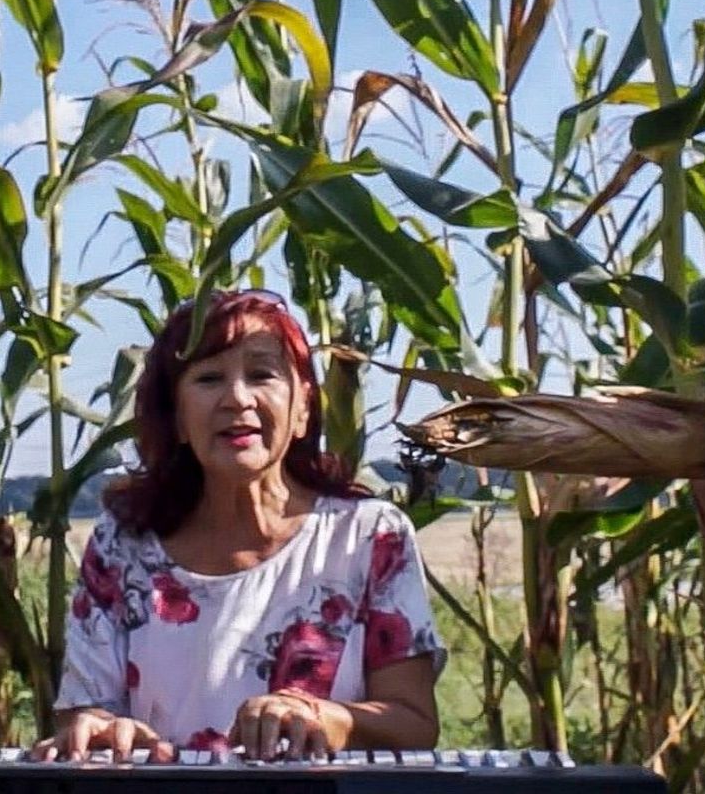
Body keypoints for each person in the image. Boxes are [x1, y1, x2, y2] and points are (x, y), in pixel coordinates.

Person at [34, 290, 443, 763]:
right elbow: (83, 721)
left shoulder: (369, 538)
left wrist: (318, 717)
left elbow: (412, 723)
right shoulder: (121, 546)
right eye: (208, 378)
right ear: (178, 419)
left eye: (261, 374)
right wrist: (101, 731)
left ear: (303, 408)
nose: (236, 398)